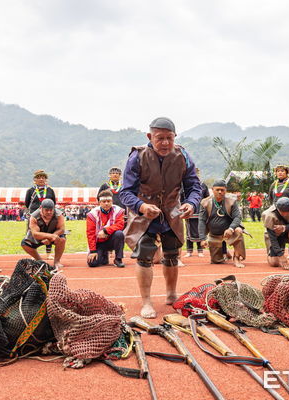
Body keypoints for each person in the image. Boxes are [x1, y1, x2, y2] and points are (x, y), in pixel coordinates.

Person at [119, 117, 201, 319]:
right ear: (149, 137)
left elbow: (194, 186)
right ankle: (146, 301)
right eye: (159, 138)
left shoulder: (183, 155)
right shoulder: (137, 157)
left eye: (169, 138)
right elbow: (125, 192)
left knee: (172, 254)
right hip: (144, 213)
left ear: (175, 137)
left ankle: (172, 294)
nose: (165, 143)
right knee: (145, 255)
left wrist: (191, 203)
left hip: (172, 211)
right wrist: (141, 206)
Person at [198, 179, 246, 268]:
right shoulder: (205, 202)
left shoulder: (232, 201)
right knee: (216, 261)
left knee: (238, 231)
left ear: (225, 190)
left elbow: (237, 217)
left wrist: (231, 229)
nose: (220, 192)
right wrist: (202, 238)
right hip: (214, 234)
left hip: (230, 232)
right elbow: (201, 220)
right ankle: (225, 252)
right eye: (217, 190)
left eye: (222, 190)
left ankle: (236, 257)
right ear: (212, 189)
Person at [21, 199, 65, 269]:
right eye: (46, 210)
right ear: (41, 208)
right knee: (25, 244)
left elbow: (61, 229)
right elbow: (35, 234)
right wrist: (50, 237)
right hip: (40, 237)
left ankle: (57, 261)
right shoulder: (34, 216)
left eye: (51, 210)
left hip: (54, 234)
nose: (49, 212)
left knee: (62, 239)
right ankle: (40, 261)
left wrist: (51, 238)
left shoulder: (59, 214)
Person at [86, 190, 125, 268]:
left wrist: (105, 231)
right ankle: (103, 255)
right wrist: (93, 251)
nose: (106, 203)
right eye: (104, 201)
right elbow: (90, 233)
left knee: (119, 234)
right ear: (99, 203)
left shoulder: (118, 211)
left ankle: (118, 259)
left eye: (108, 201)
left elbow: (120, 225)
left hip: (111, 240)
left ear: (112, 201)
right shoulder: (92, 214)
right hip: (99, 242)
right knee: (93, 263)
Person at [262, 197, 289, 270]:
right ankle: (275, 252)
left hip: (288, 231)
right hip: (276, 236)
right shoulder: (269, 215)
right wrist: (281, 255)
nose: (285, 214)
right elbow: (272, 239)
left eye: (288, 212)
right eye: (282, 212)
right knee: (274, 263)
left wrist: (284, 228)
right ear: (278, 209)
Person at [184, 169, 209, 258]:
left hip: (200, 212)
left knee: (200, 230)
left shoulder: (203, 185)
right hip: (189, 211)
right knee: (189, 231)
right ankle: (189, 251)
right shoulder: (186, 186)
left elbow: (207, 198)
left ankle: (200, 250)